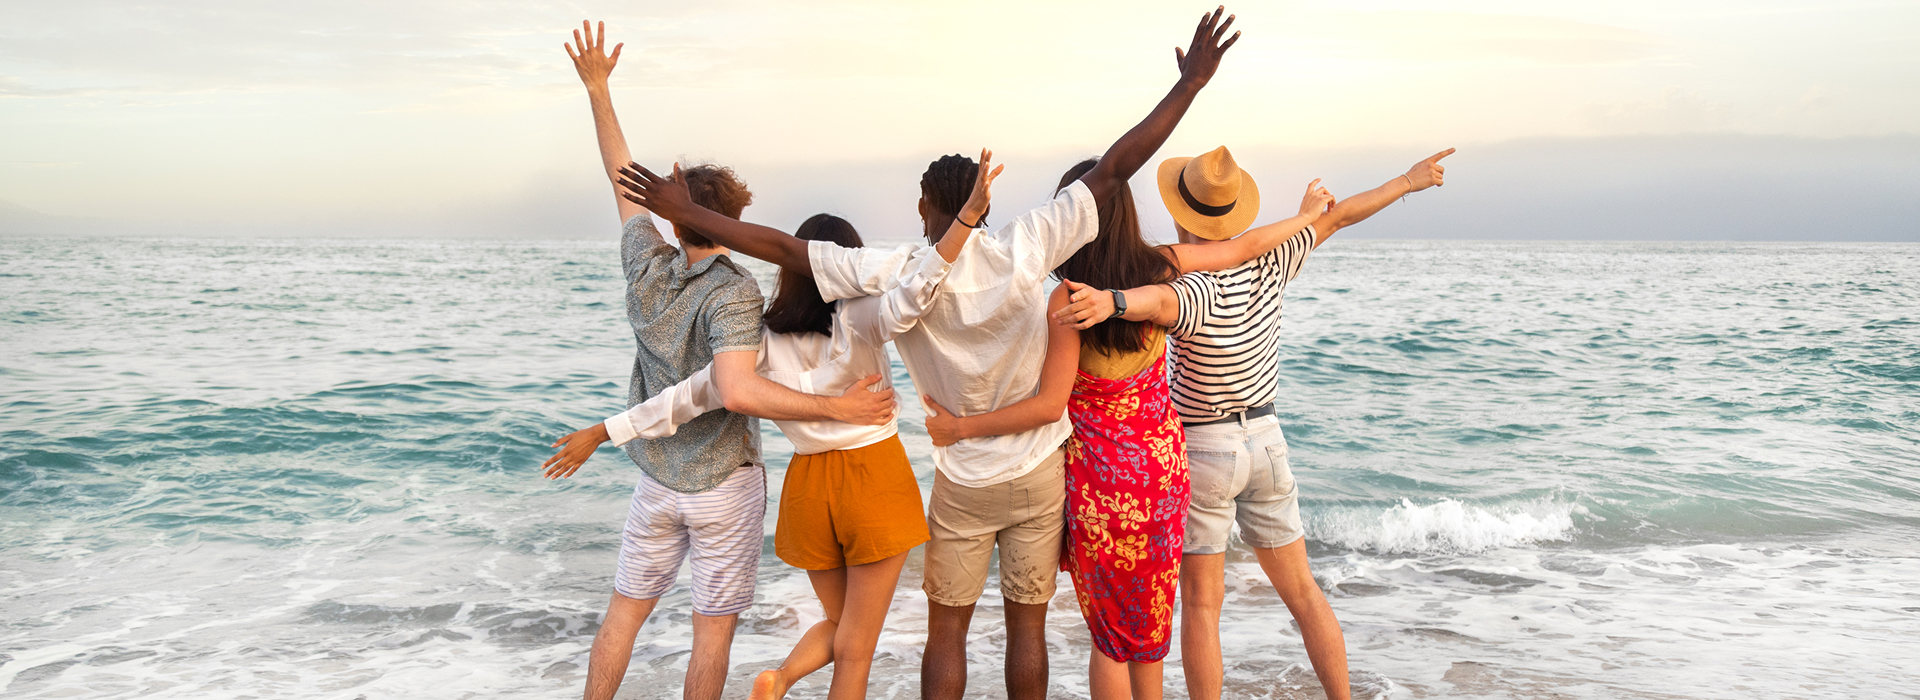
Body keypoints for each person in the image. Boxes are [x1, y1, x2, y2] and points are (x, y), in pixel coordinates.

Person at [614, 8, 1242, 698]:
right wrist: (1189, 87)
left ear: (923, 207)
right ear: (979, 200)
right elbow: (1117, 167)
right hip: (1036, 471)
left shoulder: (896, 270)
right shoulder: (1024, 247)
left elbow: (785, 249)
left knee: (948, 634)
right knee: (1026, 633)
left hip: (963, 479)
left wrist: (690, 215)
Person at [538, 22, 895, 700]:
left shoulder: (645, 262)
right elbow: (735, 390)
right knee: (712, 635)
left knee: (623, 617)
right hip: (724, 484)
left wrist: (598, 90)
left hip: (656, 480)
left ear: (671, 220)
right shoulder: (736, 291)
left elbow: (622, 181)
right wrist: (837, 408)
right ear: (734, 219)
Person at [584, 152, 1003, 700]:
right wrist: (964, 224)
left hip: (806, 490)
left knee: (841, 623)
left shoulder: (760, 336)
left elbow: (693, 395)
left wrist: (609, 430)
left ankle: (778, 678)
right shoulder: (861, 317)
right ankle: (781, 677)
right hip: (872, 480)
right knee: (856, 653)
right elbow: (913, 293)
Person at [919, 152, 1332, 700]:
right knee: (1150, 628)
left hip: (1103, 486)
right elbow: (1243, 247)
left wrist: (961, 428)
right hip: (1163, 473)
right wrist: (1305, 219)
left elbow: (1048, 407)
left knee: (1110, 637)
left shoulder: (1068, 299)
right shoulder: (1158, 268)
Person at [1052, 146, 1455, 700]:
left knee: (1200, 605)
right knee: (1305, 593)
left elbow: (1152, 303)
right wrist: (1407, 181)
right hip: (1267, 441)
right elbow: (1340, 215)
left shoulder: (1188, 287)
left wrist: (1114, 301)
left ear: (1179, 217)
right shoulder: (1272, 263)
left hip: (1205, 450)